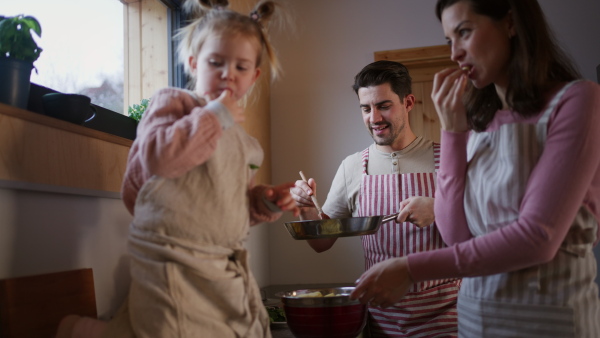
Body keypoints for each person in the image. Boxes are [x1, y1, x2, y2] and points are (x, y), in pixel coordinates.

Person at [350, 0, 600, 336]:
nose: (455, 53)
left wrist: (410, 268)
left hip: (547, 319)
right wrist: (453, 129)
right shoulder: (481, 126)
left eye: (464, 32)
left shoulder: (578, 100)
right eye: (449, 40)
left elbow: (538, 238)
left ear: (510, 23)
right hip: (475, 319)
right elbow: (457, 237)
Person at [56, 0, 298, 337]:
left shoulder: (245, 144)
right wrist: (215, 115)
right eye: (216, 62)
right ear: (193, 63)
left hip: (221, 261)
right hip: (170, 252)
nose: (228, 73)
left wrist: (265, 201)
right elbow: (160, 158)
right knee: (169, 328)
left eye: (241, 67)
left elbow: (231, 203)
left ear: (254, 76)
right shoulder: (173, 103)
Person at [291, 60, 461, 337]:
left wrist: (440, 209)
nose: (374, 118)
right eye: (366, 108)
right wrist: (306, 208)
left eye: (384, 106)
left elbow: (483, 230)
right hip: (381, 317)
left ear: (408, 102)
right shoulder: (352, 166)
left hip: (446, 316)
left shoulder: (449, 159)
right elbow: (321, 242)